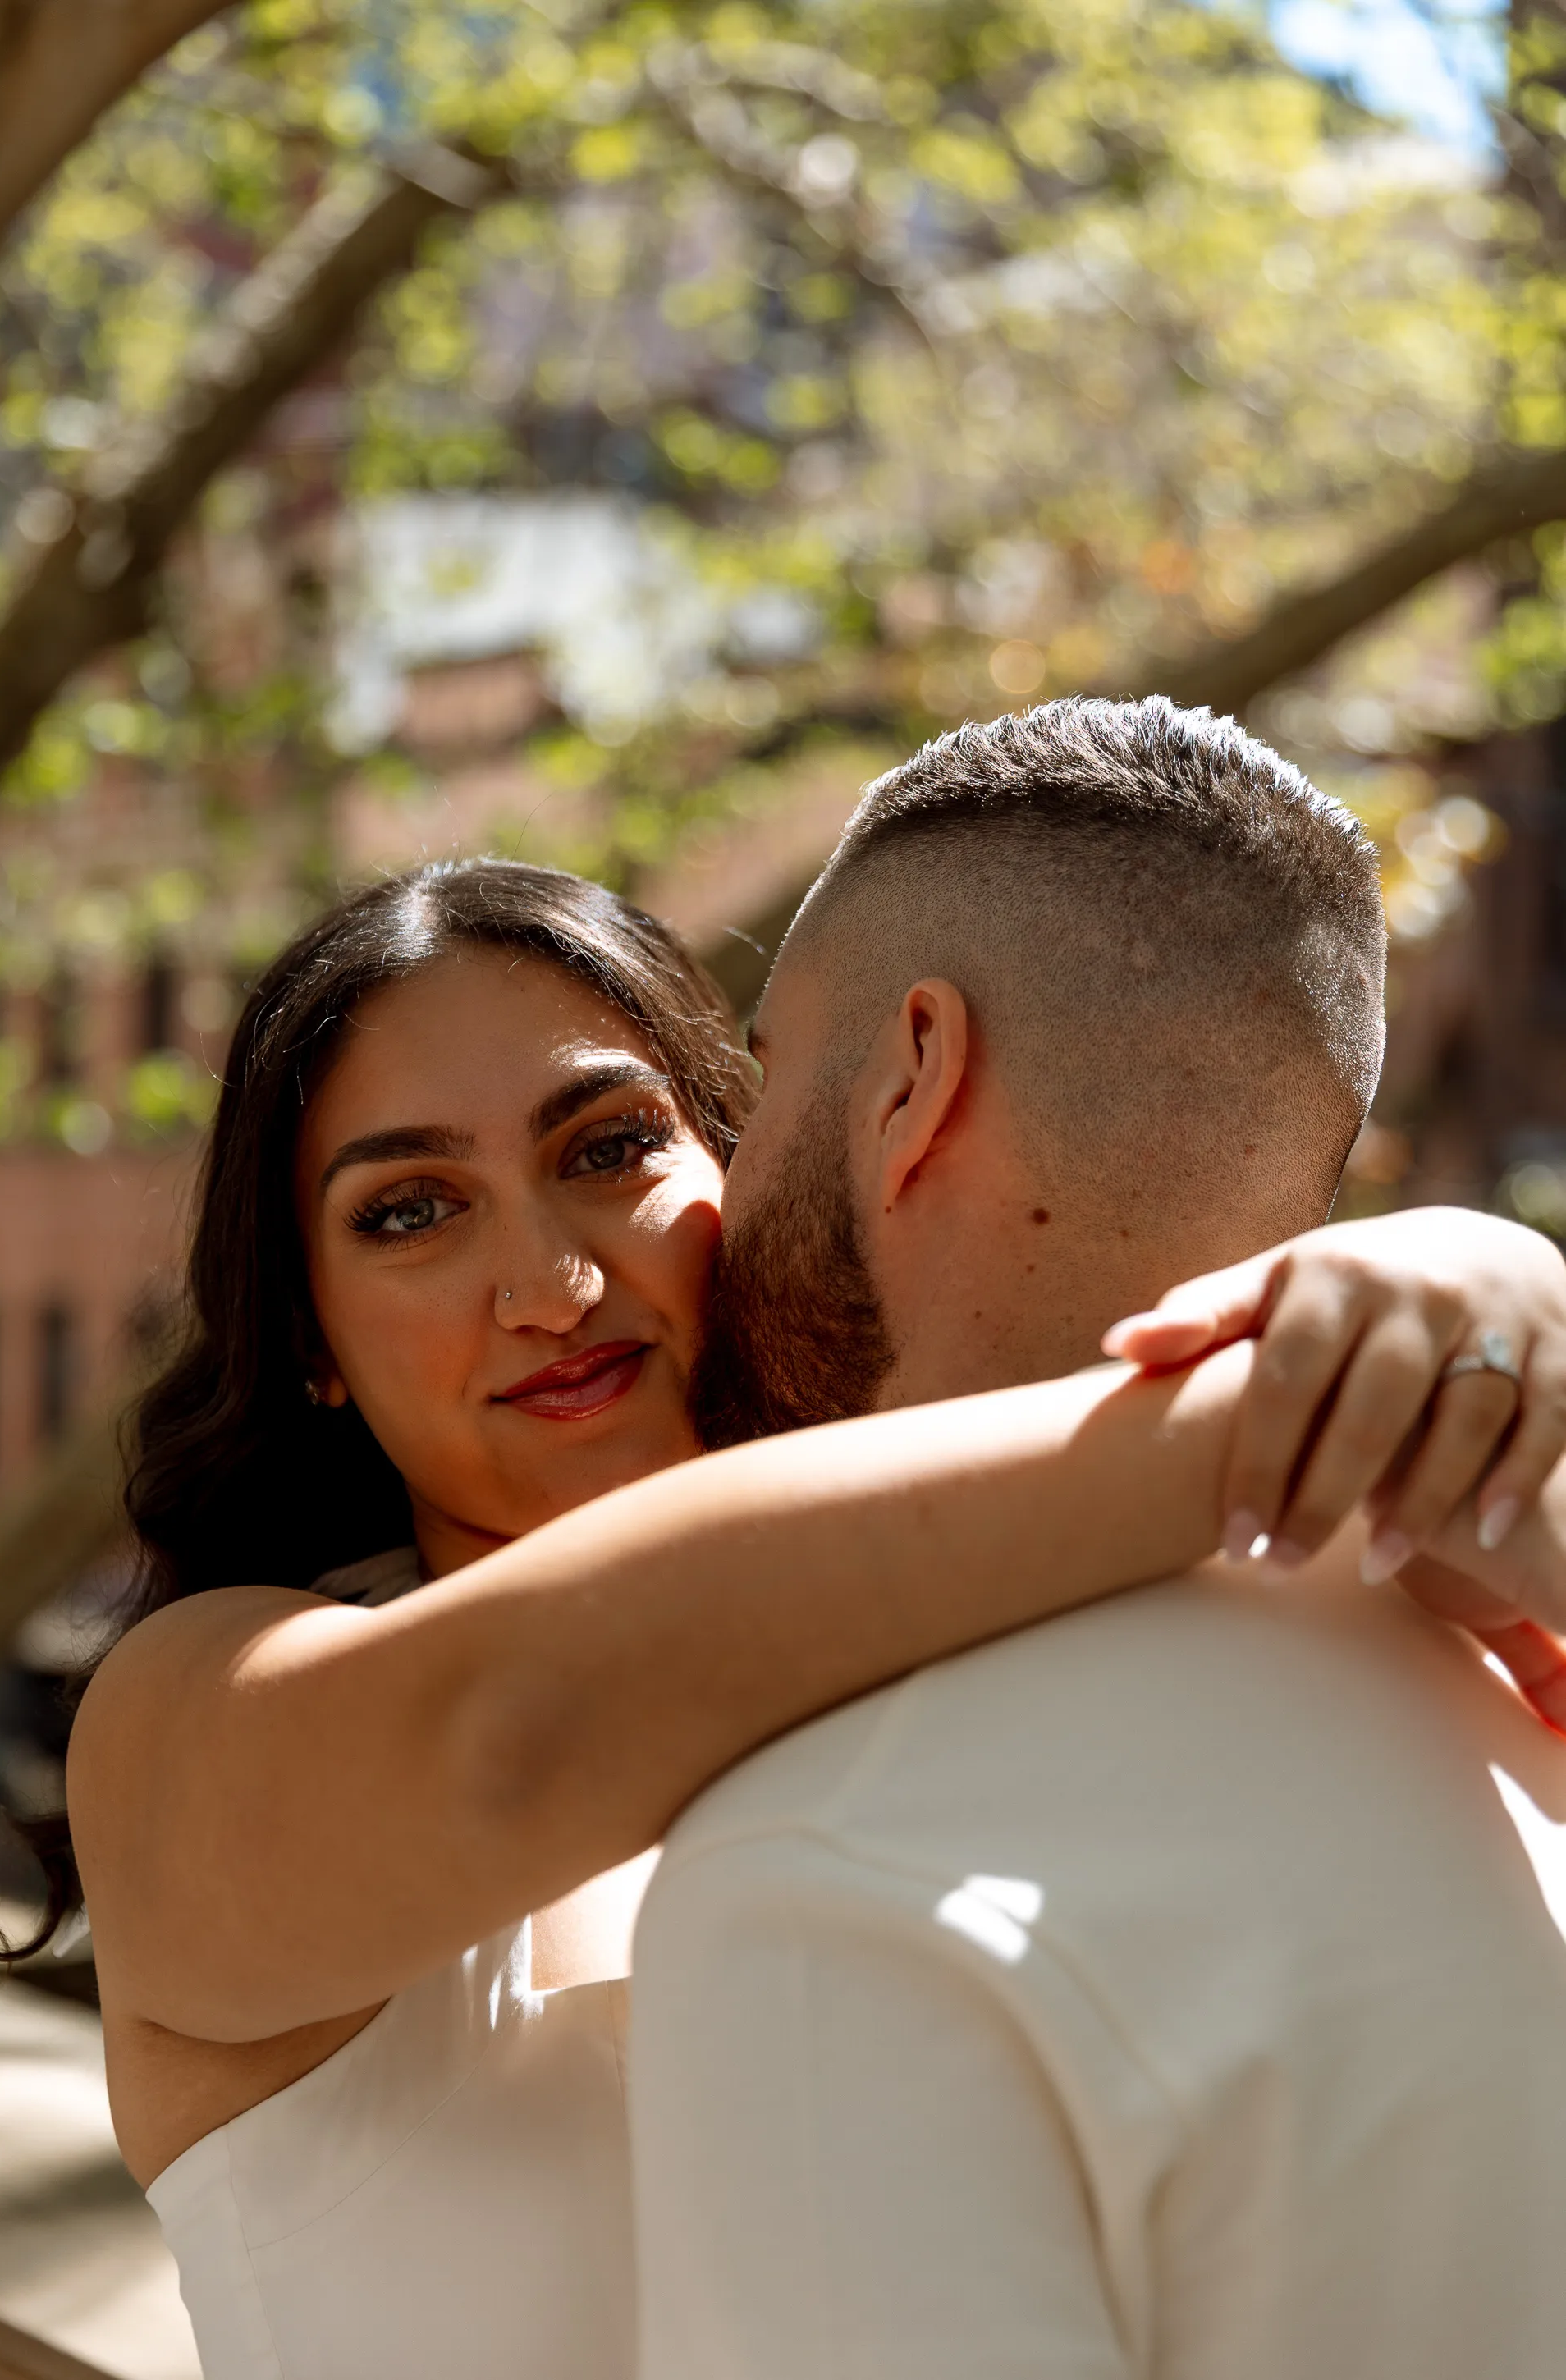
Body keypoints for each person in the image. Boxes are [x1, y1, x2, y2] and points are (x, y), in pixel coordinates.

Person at [54, 832, 1563, 2380]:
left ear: (743, 1165)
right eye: (407, 1213)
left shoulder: (1002, 1615)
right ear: (310, 1339)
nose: (549, 1284)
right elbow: (520, 1724)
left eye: (606, 1148)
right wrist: (1330, 1393)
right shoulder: (191, 1716)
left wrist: (1460, 1289)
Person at [629, 698, 1566, 2380]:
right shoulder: (1523, 1707)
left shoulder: (826, 1874)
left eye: (767, 1074)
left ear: (914, 1078)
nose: (720, 1174)